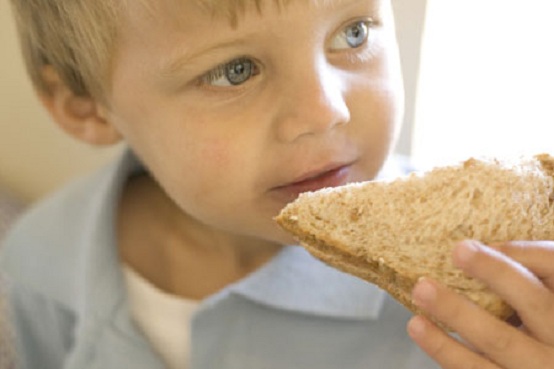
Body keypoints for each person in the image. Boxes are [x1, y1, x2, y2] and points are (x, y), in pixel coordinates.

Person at [2, 0, 553, 368]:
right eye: (235, 70)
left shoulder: (479, 305)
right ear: (86, 107)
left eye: (353, 32)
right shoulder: (39, 261)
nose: (324, 111)